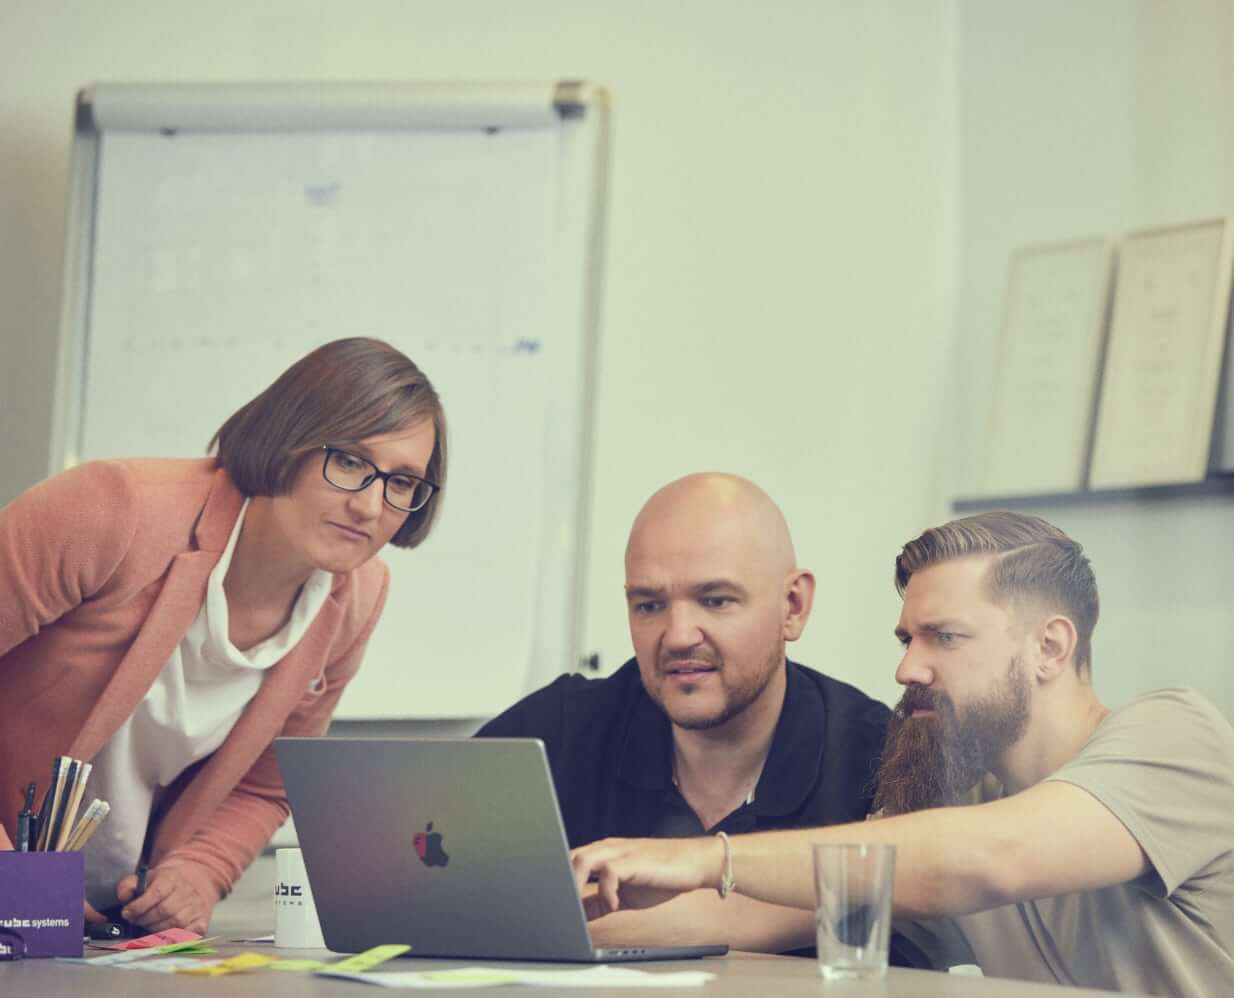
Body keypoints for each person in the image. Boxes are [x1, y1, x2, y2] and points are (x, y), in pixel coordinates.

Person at [571, 512, 1234, 996]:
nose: (907, 669)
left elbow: (997, 859)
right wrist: (547, 916)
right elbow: (746, 909)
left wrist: (703, 853)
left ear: (1050, 648)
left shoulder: (1176, 736)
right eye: (906, 639)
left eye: (943, 637)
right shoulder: (960, 801)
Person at [0, 337, 447, 934]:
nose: (371, 507)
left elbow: (264, 787)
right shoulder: (113, 510)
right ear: (289, 436)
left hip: (101, 925)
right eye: (349, 463)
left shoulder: (357, 597)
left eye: (402, 482)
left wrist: (199, 873)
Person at [478, 473, 889, 952]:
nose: (676, 636)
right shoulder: (560, 729)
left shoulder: (876, 751)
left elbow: (890, 904)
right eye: (649, 605)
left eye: (715, 601)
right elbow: (429, 883)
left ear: (792, 606)